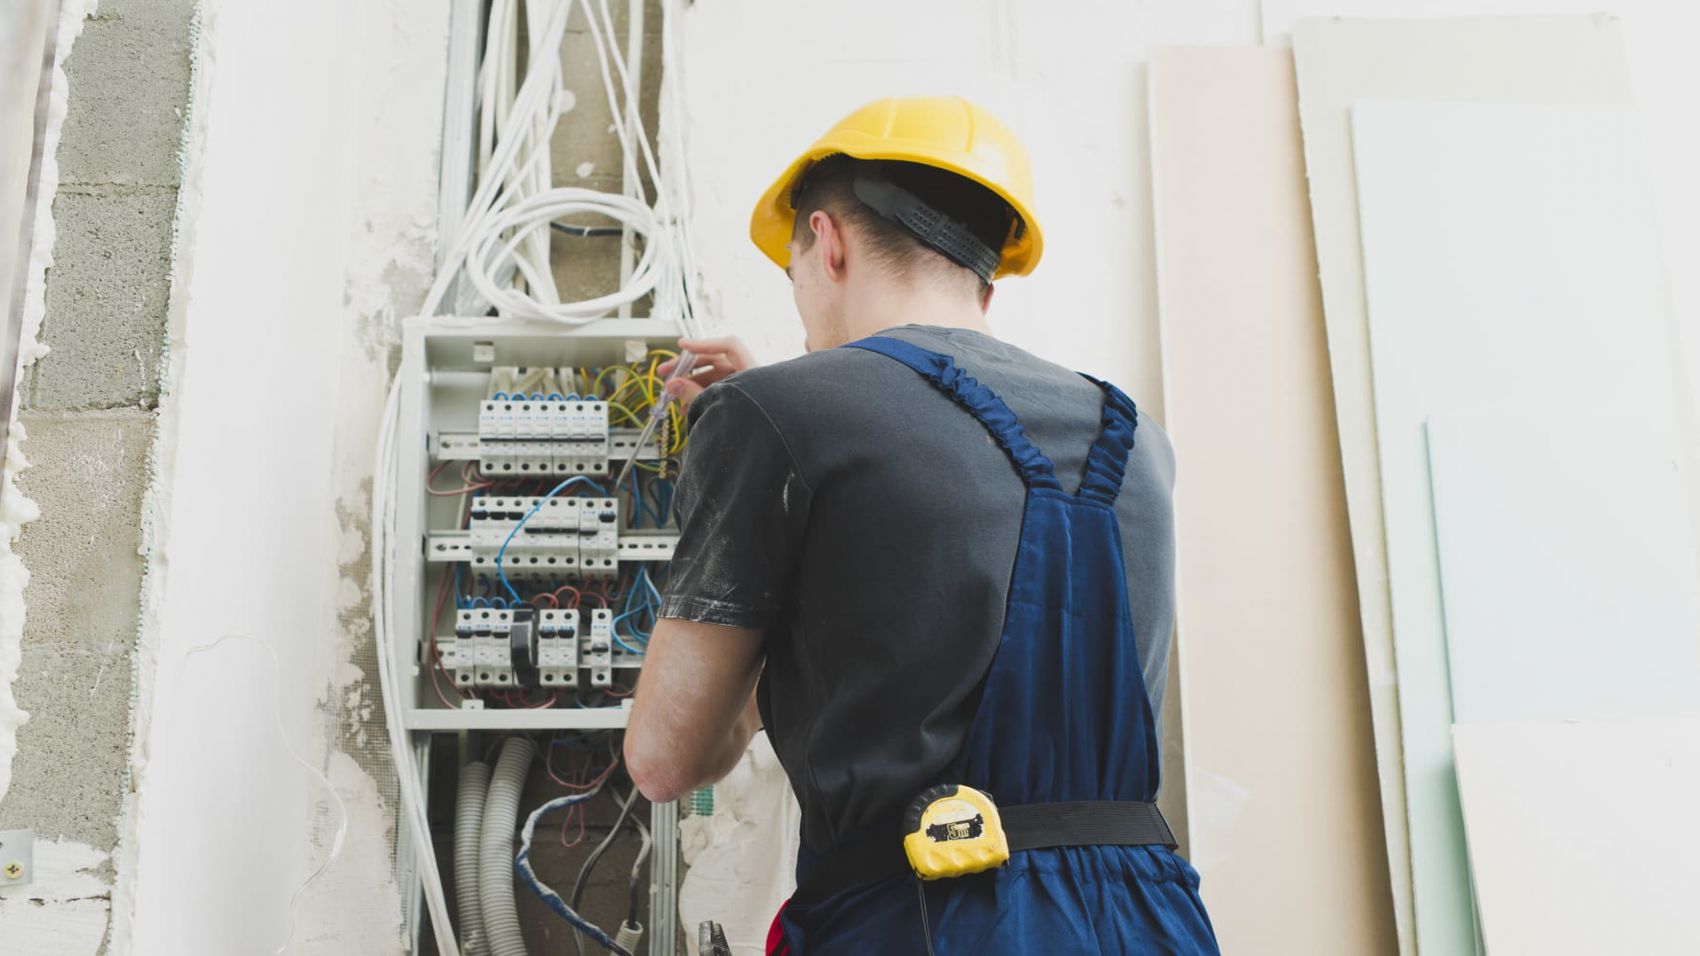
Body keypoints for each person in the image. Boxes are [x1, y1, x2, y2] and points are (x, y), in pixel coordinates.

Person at [625, 96, 1219, 955]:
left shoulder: (773, 414)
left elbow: (665, 760)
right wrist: (789, 431)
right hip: (1151, 923)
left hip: (926, 920)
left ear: (826, 242)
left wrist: (770, 435)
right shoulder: (1134, 435)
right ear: (986, 271)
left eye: (792, 273)